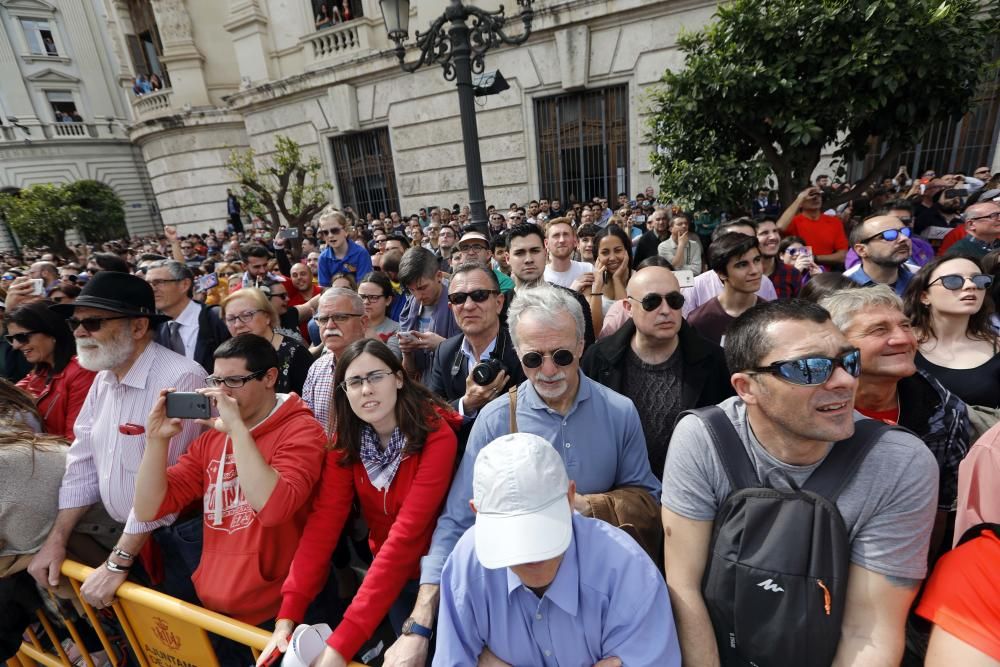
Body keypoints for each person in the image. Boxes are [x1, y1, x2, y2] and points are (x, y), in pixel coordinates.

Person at [383, 285, 660, 667]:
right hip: (514, 605)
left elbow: (648, 501)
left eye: (562, 356)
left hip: (597, 603)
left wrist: (583, 508)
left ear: (582, 345)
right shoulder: (496, 420)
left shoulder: (618, 411)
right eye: (533, 358)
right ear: (516, 352)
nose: (548, 370)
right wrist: (420, 624)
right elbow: (458, 524)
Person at [662, 298, 939, 666]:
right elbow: (684, 587)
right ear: (747, 388)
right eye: (809, 368)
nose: (844, 381)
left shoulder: (899, 462)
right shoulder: (704, 437)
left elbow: (870, 630)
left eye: (848, 361)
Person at [259, 339, 460, 667]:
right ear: (343, 391)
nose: (366, 389)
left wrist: (341, 645)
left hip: (443, 579)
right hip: (390, 578)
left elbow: (407, 535)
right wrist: (288, 615)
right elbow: (324, 524)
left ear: (398, 378)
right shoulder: (346, 443)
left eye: (376, 377)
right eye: (355, 381)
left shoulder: (436, 435)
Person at [28, 272, 207, 610]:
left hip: (176, 543)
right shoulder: (103, 379)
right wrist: (57, 539)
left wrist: (117, 562)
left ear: (138, 327)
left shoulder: (181, 377)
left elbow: (170, 486)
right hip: (127, 540)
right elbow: (82, 464)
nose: (80, 332)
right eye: (75, 323)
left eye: (93, 322)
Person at [434, 433, 681, 667]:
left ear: (570, 497)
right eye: (513, 534)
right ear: (477, 514)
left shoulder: (629, 573)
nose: (531, 551)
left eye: (541, 528)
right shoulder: (465, 566)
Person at [133, 334, 326, 632]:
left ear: (269, 377)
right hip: (217, 608)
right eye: (216, 380)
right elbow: (148, 508)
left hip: (283, 611)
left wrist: (237, 430)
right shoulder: (212, 437)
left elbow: (274, 509)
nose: (221, 392)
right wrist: (156, 441)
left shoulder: (302, 430)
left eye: (234, 381)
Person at [821, 285, 969, 555]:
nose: (903, 339)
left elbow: (939, 510)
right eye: (879, 330)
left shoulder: (944, 411)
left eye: (906, 326)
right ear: (837, 344)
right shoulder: (806, 404)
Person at [581, 265, 732, 477]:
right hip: (620, 489)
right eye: (651, 302)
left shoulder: (714, 360)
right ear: (628, 307)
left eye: (674, 301)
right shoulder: (598, 359)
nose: (665, 310)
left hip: (694, 486)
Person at [426, 263, 525, 442]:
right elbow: (430, 415)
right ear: (451, 307)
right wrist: (467, 404)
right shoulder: (445, 352)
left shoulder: (522, 349)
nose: (469, 306)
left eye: (479, 296)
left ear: (499, 303)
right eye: (458, 298)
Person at [903, 255, 1000, 408]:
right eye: (953, 281)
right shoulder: (900, 343)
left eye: (979, 280)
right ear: (924, 296)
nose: (971, 286)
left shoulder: (997, 345)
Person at [5, 301, 97, 439]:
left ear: (51, 332)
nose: (16, 346)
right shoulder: (40, 370)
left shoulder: (82, 372)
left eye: (21, 337)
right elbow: (9, 397)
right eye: (11, 339)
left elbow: (75, 441)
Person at [504, 223, 595, 348]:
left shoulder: (575, 300)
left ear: (545, 252)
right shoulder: (499, 307)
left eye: (535, 251)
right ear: (507, 258)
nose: (528, 259)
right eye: (520, 253)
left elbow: (587, 355)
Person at [221, 288, 312, 396]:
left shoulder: (295, 354)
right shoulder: (228, 355)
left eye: (246, 315)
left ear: (267, 316)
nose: (237, 324)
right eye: (231, 319)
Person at [301, 288, 369, 430]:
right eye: (323, 319)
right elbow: (308, 423)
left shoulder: (380, 366)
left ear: (363, 323)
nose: (330, 325)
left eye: (340, 317)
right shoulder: (316, 368)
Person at [146, 260, 230, 373]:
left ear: (184, 284)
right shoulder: (154, 328)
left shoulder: (217, 318)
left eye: (159, 282)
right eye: (148, 284)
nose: (152, 289)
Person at [682, 219, 778, 317]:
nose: (754, 271)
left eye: (749, 238)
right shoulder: (696, 288)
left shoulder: (765, 283)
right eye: (742, 265)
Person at [396, 247, 461, 384]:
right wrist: (406, 353)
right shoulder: (410, 309)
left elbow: (476, 356)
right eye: (411, 290)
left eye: (422, 288)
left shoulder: (461, 303)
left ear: (438, 276)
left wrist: (443, 346)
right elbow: (411, 374)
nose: (418, 296)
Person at [687, 233, 763, 345]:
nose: (754, 270)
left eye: (757, 260)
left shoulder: (772, 317)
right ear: (721, 273)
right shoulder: (700, 321)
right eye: (742, 265)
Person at [843, 215, 919, 295]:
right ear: (862, 250)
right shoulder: (845, 288)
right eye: (889, 235)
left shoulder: (920, 280)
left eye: (905, 232)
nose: (904, 238)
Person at [777, 186, 849, 267]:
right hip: (797, 272)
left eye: (818, 195)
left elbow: (843, 256)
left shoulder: (834, 222)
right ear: (801, 201)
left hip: (823, 275)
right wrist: (799, 199)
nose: (815, 198)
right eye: (810, 195)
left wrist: (815, 258)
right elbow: (780, 227)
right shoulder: (793, 221)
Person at [588, 224, 633, 333]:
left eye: (618, 250)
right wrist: (597, 286)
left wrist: (617, 279)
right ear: (597, 256)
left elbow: (626, 326)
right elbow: (595, 331)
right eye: (605, 252)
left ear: (626, 251)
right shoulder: (589, 284)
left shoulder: (639, 279)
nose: (612, 258)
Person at [317, 209, 372, 287]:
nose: (330, 235)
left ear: (346, 231)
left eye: (335, 230)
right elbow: (324, 288)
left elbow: (364, 286)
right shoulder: (323, 258)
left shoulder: (361, 253)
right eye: (325, 232)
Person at [756, 218, 805, 298]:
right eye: (764, 233)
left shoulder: (792, 273)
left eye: (775, 231)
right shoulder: (745, 275)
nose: (773, 237)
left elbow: (799, 308)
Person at [543, 218, 593, 290]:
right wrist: (573, 290)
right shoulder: (540, 277)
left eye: (566, 234)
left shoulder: (587, 269)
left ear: (575, 241)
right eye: (556, 235)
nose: (562, 240)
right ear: (546, 243)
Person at [359, 272, 401, 358]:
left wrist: (371, 335)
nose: (366, 302)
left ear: (388, 300)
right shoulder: (349, 324)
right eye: (362, 297)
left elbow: (394, 360)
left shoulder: (397, 329)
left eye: (373, 297)